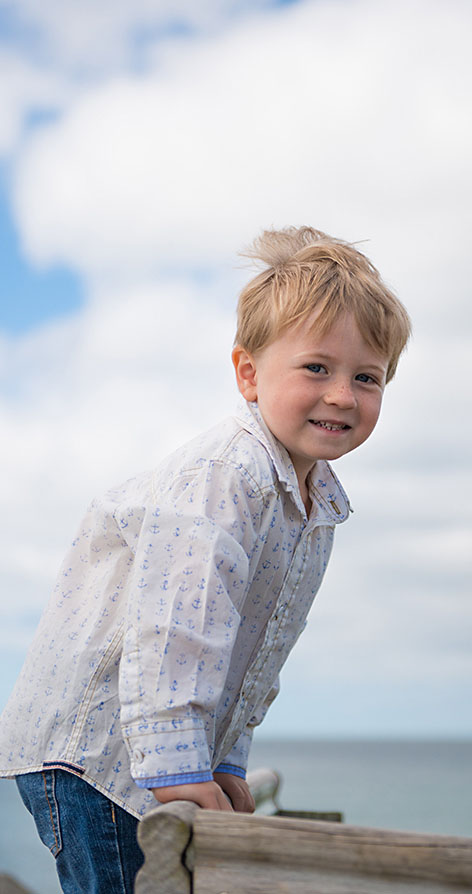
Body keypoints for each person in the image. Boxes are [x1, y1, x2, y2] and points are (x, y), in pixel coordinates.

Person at [0, 226, 412, 894]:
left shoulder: (318, 508)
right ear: (248, 373)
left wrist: (226, 763)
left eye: (367, 377)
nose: (342, 394)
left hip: (149, 758)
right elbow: (173, 629)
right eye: (317, 368)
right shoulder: (228, 473)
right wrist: (178, 769)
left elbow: (253, 656)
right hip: (96, 753)